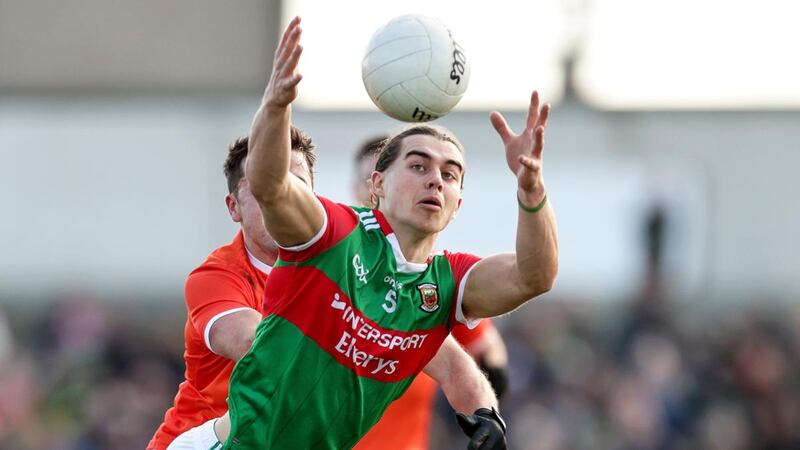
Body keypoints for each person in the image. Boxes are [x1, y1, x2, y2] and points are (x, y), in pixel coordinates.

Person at [171, 15, 557, 450]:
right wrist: (276, 107)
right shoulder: (334, 233)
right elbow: (271, 186)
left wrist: (532, 190)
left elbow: (532, 278)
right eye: (417, 165)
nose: (435, 179)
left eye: (450, 174)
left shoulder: (440, 286)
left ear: (457, 205)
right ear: (376, 186)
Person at [150, 132, 496, 450]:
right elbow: (254, 346)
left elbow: (454, 362)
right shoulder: (217, 275)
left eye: (293, 186)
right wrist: (365, 336)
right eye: (260, 190)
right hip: (211, 438)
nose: (274, 200)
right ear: (233, 207)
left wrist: (486, 411)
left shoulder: (361, 262)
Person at [351, 137, 509, 450]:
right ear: (368, 186)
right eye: (367, 179)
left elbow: (493, 364)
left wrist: (477, 414)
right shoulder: (331, 265)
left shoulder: (434, 286)